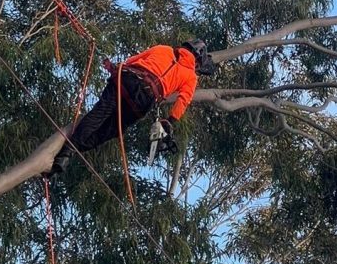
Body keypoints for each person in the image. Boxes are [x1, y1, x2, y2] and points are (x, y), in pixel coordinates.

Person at [49, 39, 215, 176]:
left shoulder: (163, 49)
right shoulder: (191, 76)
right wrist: (170, 121)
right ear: (197, 61)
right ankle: (70, 153)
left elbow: (132, 61)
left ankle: (66, 152)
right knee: (111, 130)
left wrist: (117, 69)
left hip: (127, 79)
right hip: (144, 99)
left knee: (100, 113)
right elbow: (183, 100)